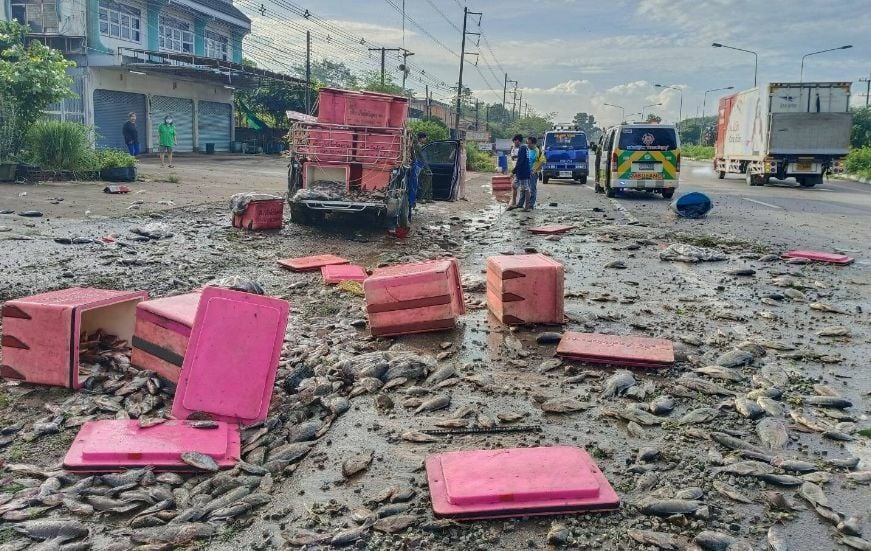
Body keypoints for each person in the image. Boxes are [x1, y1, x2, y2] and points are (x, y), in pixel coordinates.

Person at [508, 134, 530, 211]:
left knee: (525, 188)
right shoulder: (523, 148)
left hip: (523, 172)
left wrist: (513, 171)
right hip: (519, 172)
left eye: (514, 142)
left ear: (517, 140)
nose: (514, 143)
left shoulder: (523, 148)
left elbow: (520, 161)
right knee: (514, 185)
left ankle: (527, 207)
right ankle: (514, 202)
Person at [413, 132, 433, 203]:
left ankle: (427, 197)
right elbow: (422, 158)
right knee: (428, 177)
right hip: (419, 165)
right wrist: (426, 167)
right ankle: (420, 197)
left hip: (420, 165)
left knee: (429, 177)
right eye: (425, 138)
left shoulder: (420, 145)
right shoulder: (418, 146)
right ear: (421, 138)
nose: (425, 139)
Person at [527, 136, 543, 209]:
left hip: (533, 173)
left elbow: (542, 161)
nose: (528, 145)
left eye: (529, 143)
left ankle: (531, 204)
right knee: (526, 188)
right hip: (527, 172)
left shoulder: (538, 151)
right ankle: (526, 203)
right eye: (527, 143)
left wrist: (535, 170)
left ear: (533, 144)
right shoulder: (528, 150)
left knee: (532, 189)